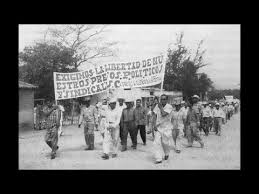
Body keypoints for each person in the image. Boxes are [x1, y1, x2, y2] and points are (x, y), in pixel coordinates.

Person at [153, 94, 174, 164]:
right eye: (161, 99)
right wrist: (154, 125)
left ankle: (167, 153)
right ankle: (158, 158)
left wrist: (161, 107)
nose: (163, 100)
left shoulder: (169, 107)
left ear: (167, 100)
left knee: (165, 143)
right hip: (159, 127)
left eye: (164, 99)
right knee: (156, 143)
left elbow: (164, 114)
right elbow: (155, 115)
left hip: (167, 128)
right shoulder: (157, 106)